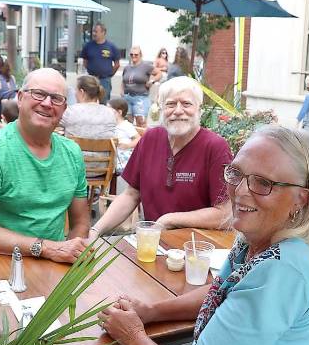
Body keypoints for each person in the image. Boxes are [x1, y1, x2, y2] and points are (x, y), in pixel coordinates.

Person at [98, 125, 309, 345]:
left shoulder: (281, 269)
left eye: (263, 183)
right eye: (236, 173)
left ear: (301, 199)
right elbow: (220, 290)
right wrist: (151, 312)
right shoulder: (255, 239)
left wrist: (134, 337)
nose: (241, 191)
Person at [0, 68, 90, 262]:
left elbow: (80, 222)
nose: (47, 103)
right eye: (39, 94)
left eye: (56, 98)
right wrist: (47, 248)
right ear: (20, 98)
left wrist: (71, 257)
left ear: (64, 109)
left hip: (52, 264)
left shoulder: (72, 153)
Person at [88, 76, 233, 241]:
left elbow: (225, 214)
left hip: (197, 249)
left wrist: (170, 220)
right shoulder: (151, 139)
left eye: (186, 104)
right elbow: (131, 195)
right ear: (161, 108)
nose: (178, 110)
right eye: (170, 104)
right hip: (153, 245)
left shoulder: (215, 147)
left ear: (199, 109)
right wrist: (95, 230)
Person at [60, 75, 117, 178]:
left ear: (81, 92)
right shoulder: (110, 113)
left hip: (74, 168)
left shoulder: (70, 111)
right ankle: (95, 191)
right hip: (103, 168)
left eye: (75, 91)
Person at [80, 22, 120, 104]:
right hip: (91, 79)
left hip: (104, 80)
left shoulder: (111, 47)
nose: (94, 34)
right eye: (93, 31)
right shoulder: (88, 46)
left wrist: (109, 74)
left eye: (96, 32)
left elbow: (117, 64)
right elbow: (85, 62)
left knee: (103, 102)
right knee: (89, 102)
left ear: (103, 32)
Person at [122, 46, 161, 127]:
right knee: (127, 122)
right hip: (127, 97)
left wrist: (152, 81)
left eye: (136, 55)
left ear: (140, 55)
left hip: (140, 97)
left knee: (141, 122)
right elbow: (123, 81)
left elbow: (159, 73)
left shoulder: (146, 66)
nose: (133, 56)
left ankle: (144, 139)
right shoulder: (127, 67)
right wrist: (122, 91)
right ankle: (133, 139)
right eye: (131, 54)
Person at [108, 98, 141, 172]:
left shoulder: (126, 125)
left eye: (110, 111)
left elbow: (138, 138)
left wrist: (128, 145)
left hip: (123, 156)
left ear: (119, 112)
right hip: (114, 154)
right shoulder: (110, 125)